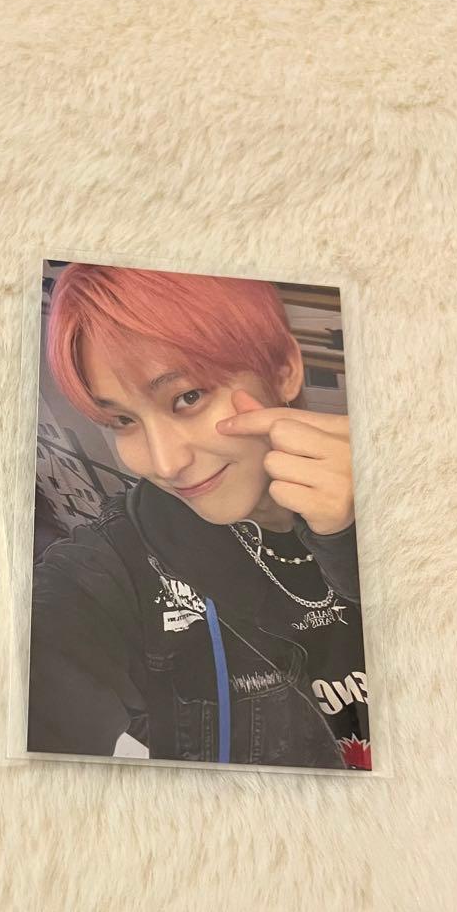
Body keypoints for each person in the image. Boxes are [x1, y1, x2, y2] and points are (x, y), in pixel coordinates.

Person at [27, 264, 371, 769]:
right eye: (122, 420)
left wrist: (371, 535)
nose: (164, 463)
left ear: (283, 371)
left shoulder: (420, 497)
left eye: (187, 397)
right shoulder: (111, 573)